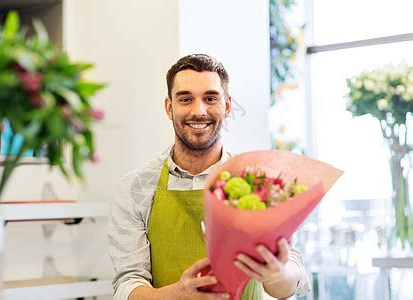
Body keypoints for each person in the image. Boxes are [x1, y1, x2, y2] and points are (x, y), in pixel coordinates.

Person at [109, 54, 311, 299]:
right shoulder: (135, 187)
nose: (199, 111)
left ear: (226, 106)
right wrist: (176, 295)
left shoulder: (259, 184)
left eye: (210, 98)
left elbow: (293, 278)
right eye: (185, 99)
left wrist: (276, 275)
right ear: (169, 107)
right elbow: (128, 284)